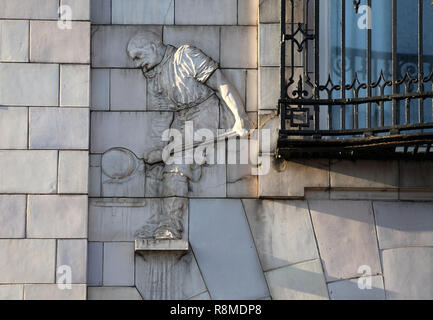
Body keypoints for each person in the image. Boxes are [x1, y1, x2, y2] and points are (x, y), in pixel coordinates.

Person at [127, 31, 251, 240]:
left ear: (153, 48)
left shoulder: (186, 56)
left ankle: (170, 226)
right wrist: (160, 148)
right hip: (182, 119)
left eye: (139, 57)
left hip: (205, 113)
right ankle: (160, 217)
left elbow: (221, 84)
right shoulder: (154, 76)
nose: (137, 65)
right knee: (158, 167)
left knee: (176, 165)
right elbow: (161, 118)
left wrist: (240, 118)